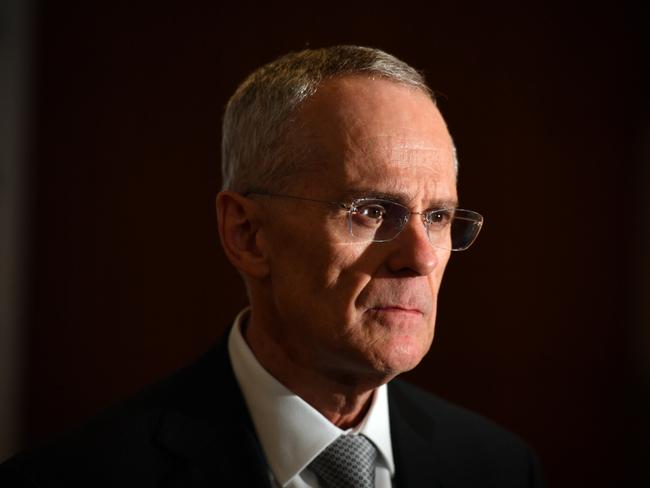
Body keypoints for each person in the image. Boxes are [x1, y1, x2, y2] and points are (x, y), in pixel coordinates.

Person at [0, 45, 544, 487]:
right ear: (248, 234)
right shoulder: (77, 477)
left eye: (440, 216)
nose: (422, 257)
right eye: (373, 212)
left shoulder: (498, 468)